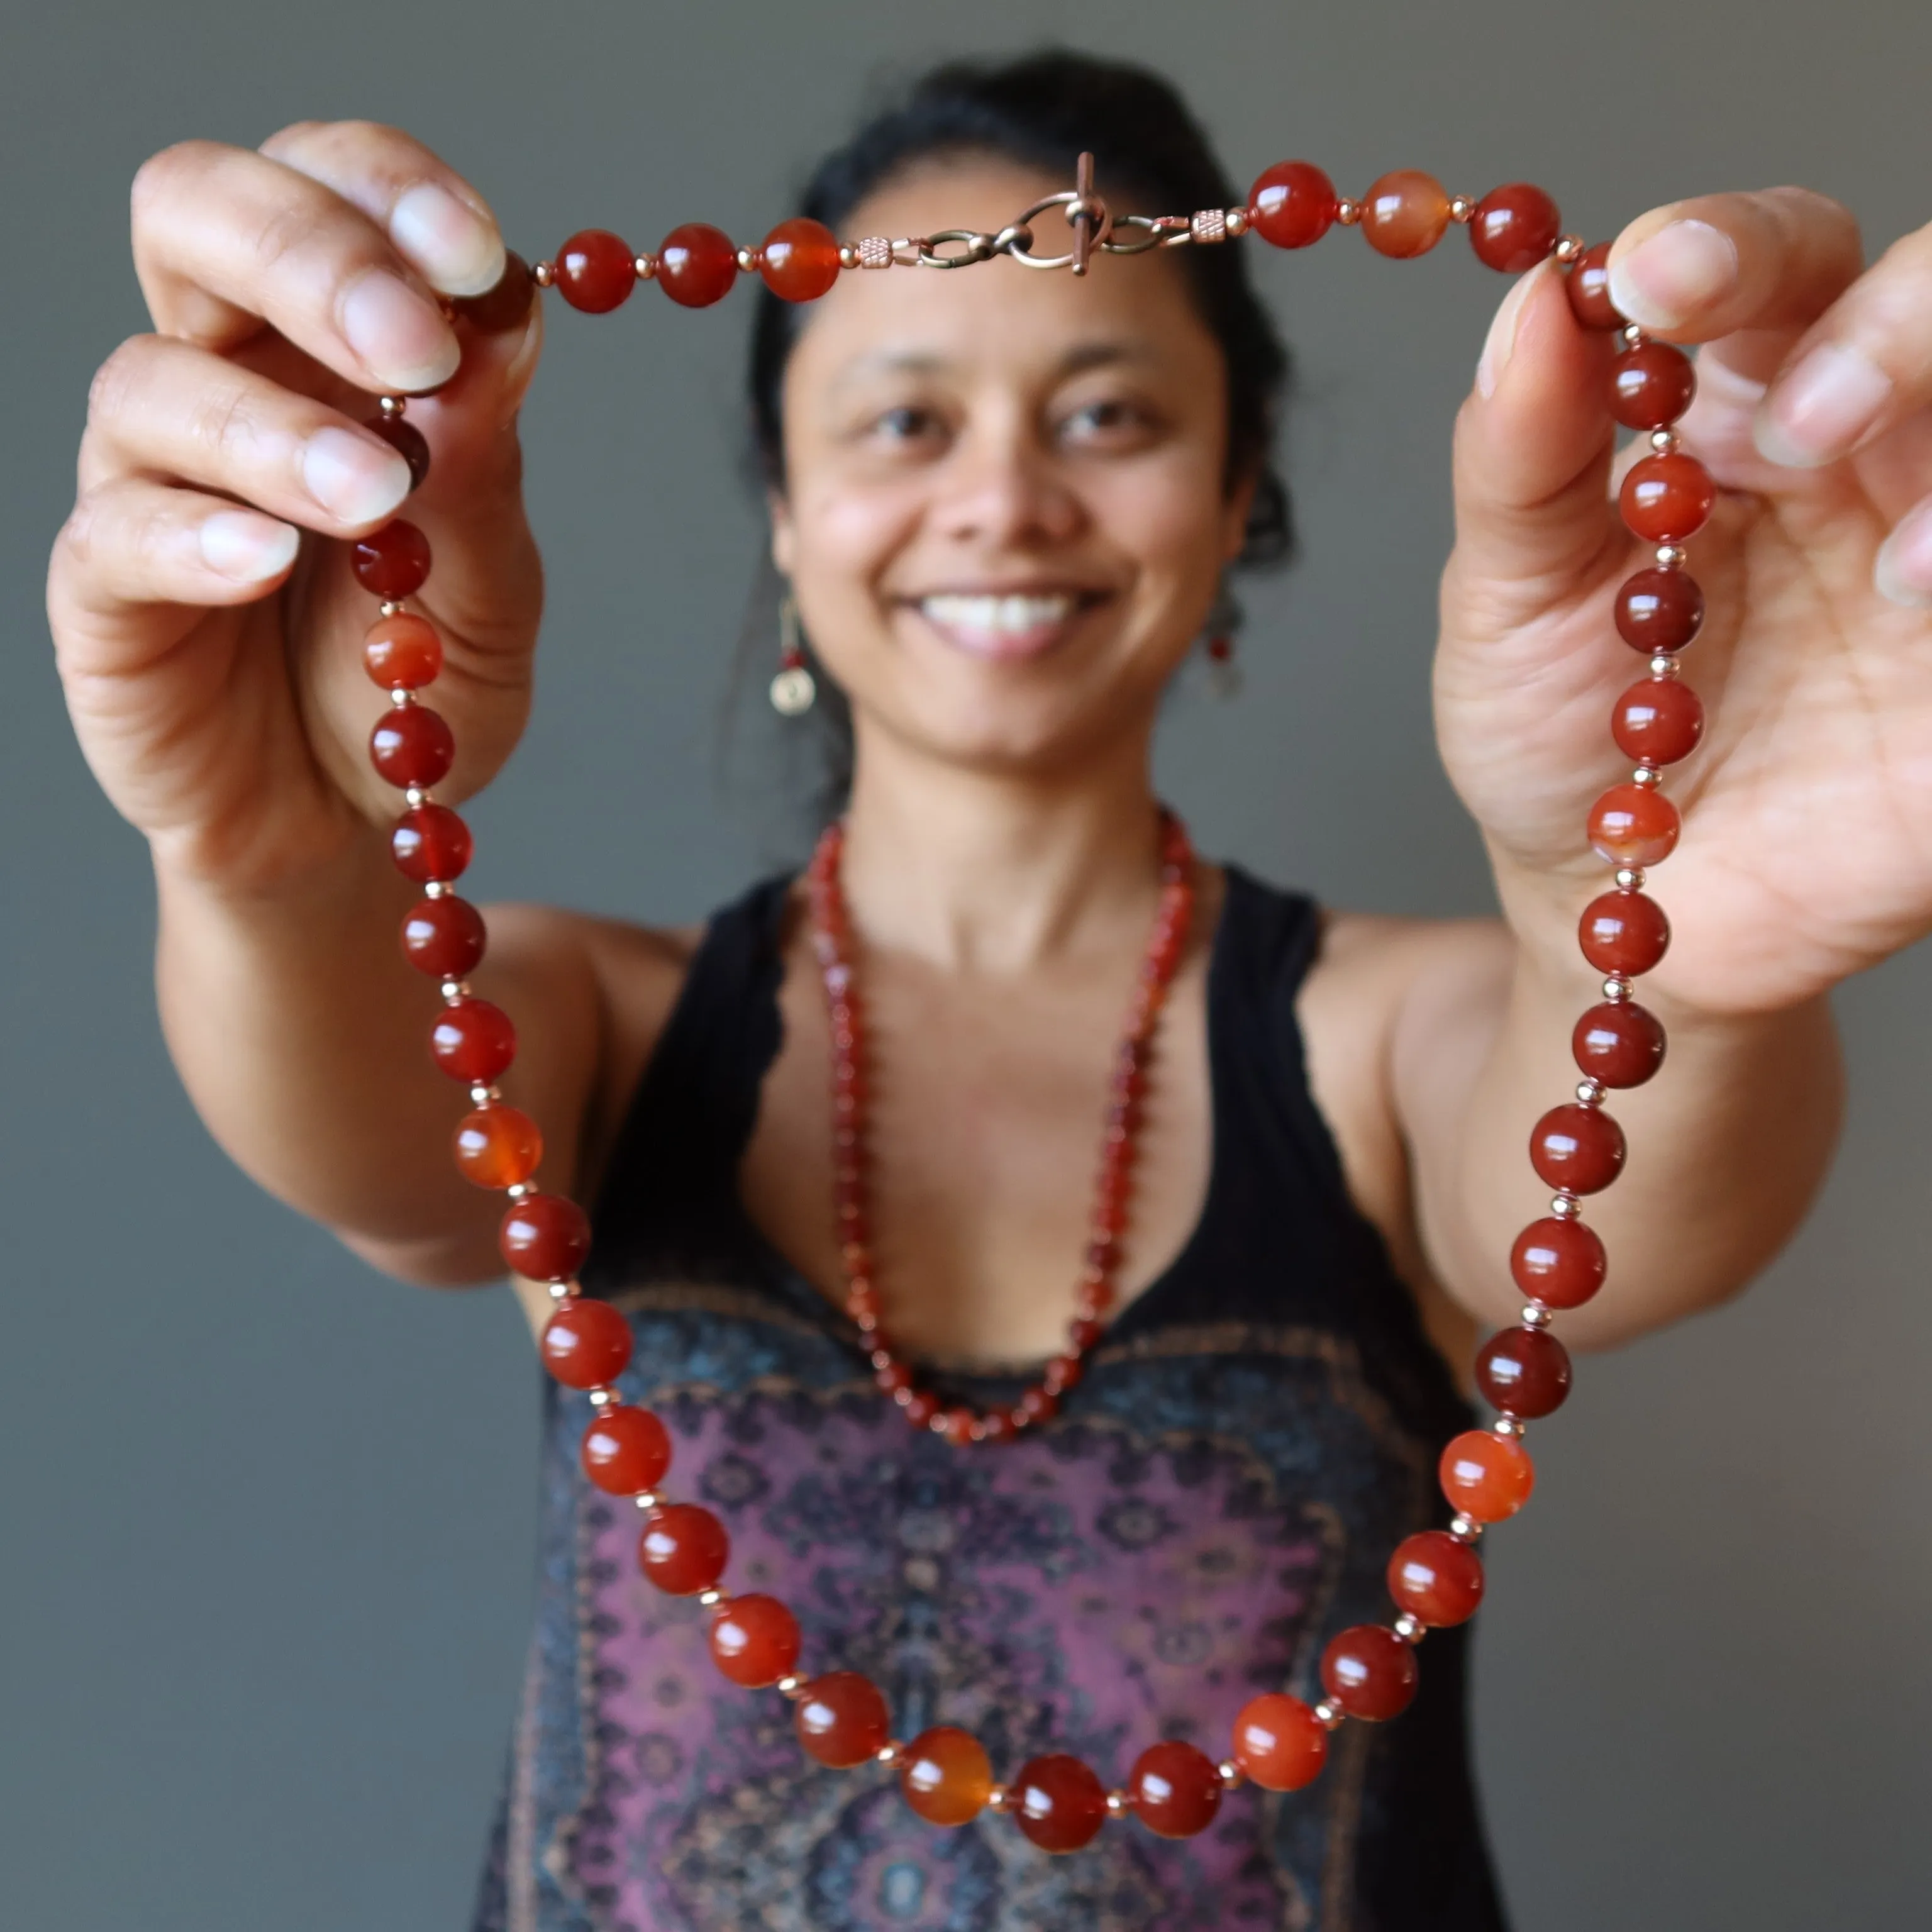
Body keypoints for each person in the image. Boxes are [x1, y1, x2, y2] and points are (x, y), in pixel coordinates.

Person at [45, 44, 1932, 1932]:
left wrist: (1664, 931)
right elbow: (365, 1119)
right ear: (783, 512)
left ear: (1237, 491)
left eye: (1107, 414)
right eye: (902, 420)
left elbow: (1644, 1191)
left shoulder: (1394, 1039)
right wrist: (278, 858)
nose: (1005, 499)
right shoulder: (591, 1033)